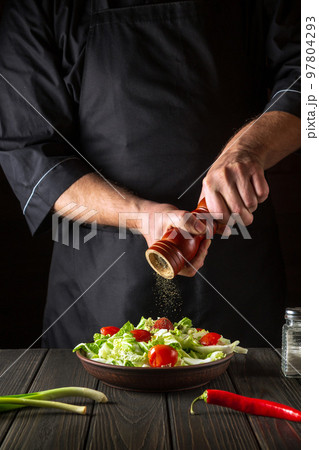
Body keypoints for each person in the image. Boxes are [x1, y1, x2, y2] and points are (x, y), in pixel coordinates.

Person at [0, 0, 300, 348]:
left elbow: (308, 71)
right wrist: (141, 215)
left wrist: (248, 149)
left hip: (238, 277)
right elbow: (30, 148)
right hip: (102, 287)